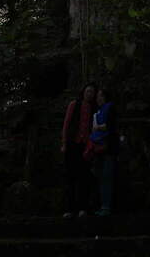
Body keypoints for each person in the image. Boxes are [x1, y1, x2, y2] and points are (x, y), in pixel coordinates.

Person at [61, 82, 97, 218]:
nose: (89, 94)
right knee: (70, 176)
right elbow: (66, 124)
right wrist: (64, 143)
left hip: (86, 146)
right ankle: (69, 209)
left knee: (84, 177)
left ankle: (83, 207)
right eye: (88, 91)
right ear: (83, 92)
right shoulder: (74, 105)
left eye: (92, 92)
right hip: (72, 143)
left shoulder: (94, 108)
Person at [90, 87, 118, 216]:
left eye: (100, 96)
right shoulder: (99, 111)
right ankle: (102, 205)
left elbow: (111, 125)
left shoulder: (110, 108)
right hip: (99, 146)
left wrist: (98, 127)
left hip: (108, 146)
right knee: (100, 176)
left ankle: (106, 206)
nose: (98, 98)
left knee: (106, 176)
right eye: (97, 96)